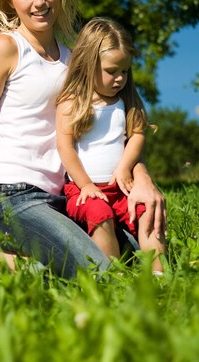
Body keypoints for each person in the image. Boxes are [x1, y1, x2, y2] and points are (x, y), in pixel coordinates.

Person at [0, 0, 166, 279]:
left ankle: (10, 262)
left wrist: (140, 175)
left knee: (130, 257)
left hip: (66, 196)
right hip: (12, 195)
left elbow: (113, 129)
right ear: (11, 0)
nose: (38, 2)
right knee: (99, 272)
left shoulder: (76, 59)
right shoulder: (7, 48)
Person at [56, 17, 166, 274]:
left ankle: (159, 273)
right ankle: (112, 275)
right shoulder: (72, 103)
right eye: (111, 71)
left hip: (120, 185)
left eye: (124, 71)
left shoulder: (125, 101)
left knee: (145, 210)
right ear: (87, 64)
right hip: (83, 188)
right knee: (100, 215)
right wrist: (86, 185)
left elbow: (137, 134)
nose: (119, 78)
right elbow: (66, 148)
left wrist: (125, 168)